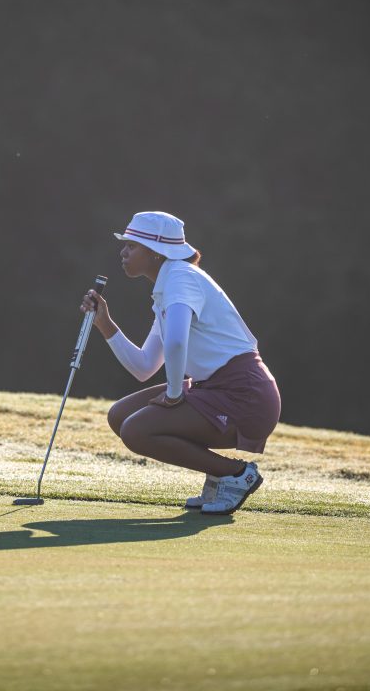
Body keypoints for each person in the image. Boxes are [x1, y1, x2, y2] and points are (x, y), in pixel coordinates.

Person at [81, 211, 281, 514]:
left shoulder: (181, 278)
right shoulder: (167, 288)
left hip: (245, 395)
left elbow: (176, 343)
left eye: (132, 246)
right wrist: (105, 324)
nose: (123, 252)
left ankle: (237, 475)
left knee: (136, 430)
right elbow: (144, 366)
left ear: (156, 252)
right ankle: (219, 474)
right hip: (214, 390)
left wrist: (175, 394)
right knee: (121, 415)